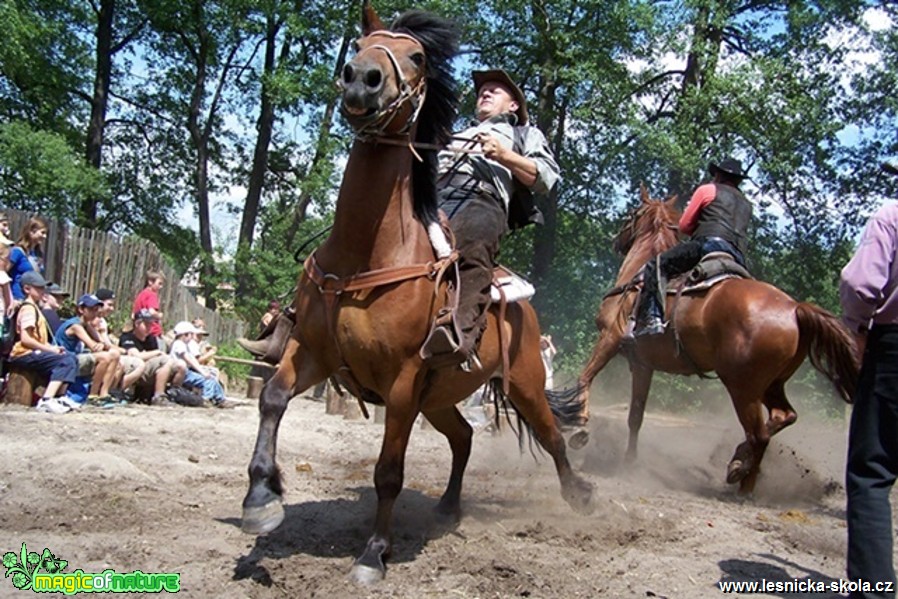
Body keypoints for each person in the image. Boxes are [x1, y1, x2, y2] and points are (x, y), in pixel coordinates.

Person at [421, 68, 560, 367]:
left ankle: (459, 336)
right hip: (430, 200)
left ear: (513, 106)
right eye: (482, 90)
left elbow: (546, 178)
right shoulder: (455, 133)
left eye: (494, 90)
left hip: (479, 200)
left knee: (473, 241)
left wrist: (503, 155)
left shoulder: (523, 134)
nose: (484, 92)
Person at [839, 161, 898, 598]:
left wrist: (855, 328)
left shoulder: (890, 216)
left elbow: (860, 285)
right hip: (736, 257)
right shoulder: (740, 201)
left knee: (871, 471)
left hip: (894, 347)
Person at [630, 157, 752, 337]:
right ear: (738, 181)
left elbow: (685, 226)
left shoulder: (707, 190)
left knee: (655, 265)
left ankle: (652, 318)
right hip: (737, 256)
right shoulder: (746, 204)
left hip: (708, 245)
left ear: (718, 175)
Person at [5, 271, 78, 414]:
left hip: (34, 352)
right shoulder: (28, 309)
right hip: (23, 354)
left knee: (70, 356)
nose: (42, 291)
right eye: (38, 288)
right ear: (27, 289)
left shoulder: (35, 309)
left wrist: (52, 348)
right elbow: (26, 339)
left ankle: (60, 396)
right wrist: (49, 350)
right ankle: (47, 399)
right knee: (65, 360)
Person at [55, 294, 121, 404]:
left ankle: (103, 393)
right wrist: (99, 345)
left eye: (96, 310)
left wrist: (101, 344)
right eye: (91, 309)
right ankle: (93, 395)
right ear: (81, 309)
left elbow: (102, 343)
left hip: (75, 357)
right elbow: (93, 346)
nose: (94, 313)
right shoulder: (76, 325)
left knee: (115, 354)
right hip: (65, 358)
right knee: (104, 358)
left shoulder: (86, 324)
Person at [119, 309, 184, 405]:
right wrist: (157, 352)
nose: (150, 327)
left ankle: (173, 394)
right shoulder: (127, 337)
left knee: (181, 365)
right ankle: (158, 396)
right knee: (165, 361)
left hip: (149, 368)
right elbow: (137, 355)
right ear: (137, 324)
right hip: (135, 369)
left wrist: (154, 354)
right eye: (146, 324)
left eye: (151, 324)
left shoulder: (151, 339)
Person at [169, 321, 233, 408]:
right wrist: (202, 372)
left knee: (212, 379)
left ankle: (220, 399)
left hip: (187, 372)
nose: (192, 337)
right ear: (185, 334)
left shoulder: (184, 344)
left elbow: (192, 359)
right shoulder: (179, 344)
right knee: (208, 380)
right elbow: (189, 359)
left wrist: (203, 371)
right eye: (191, 334)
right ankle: (206, 399)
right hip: (182, 373)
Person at [8, 216, 49, 300]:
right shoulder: (17, 252)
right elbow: (2, 273)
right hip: (16, 298)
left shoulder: (37, 255)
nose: (45, 236)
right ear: (31, 232)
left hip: (31, 300)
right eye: (42, 233)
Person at [133, 270, 165, 343]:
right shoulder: (152, 295)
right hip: (153, 332)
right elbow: (151, 312)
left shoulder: (142, 294)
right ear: (150, 282)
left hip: (140, 330)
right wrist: (159, 315)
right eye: (159, 283)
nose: (161, 287)